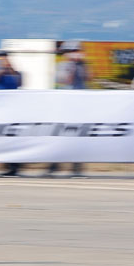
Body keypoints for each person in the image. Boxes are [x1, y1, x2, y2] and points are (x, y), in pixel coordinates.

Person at [52, 42, 90, 177]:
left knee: (79, 135)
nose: (76, 53)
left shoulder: (83, 65)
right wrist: (72, 66)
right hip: (66, 104)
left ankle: (77, 167)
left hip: (80, 104)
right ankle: (54, 165)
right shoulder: (62, 66)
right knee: (61, 135)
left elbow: (89, 78)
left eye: (77, 50)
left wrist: (83, 65)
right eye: (73, 51)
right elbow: (66, 81)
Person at [0, 54, 23, 176]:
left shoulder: (16, 73)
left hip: (12, 111)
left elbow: (19, 82)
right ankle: (5, 164)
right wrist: (1, 70)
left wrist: (10, 69)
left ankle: (14, 166)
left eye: (5, 60)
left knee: (12, 139)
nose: (4, 62)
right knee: (1, 139)